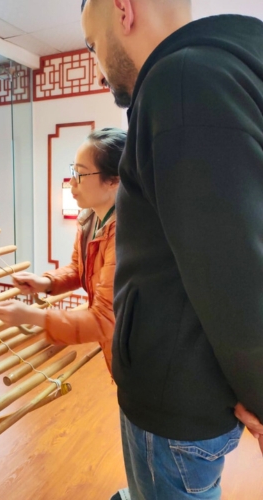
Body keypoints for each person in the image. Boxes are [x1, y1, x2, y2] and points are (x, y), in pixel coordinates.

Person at [81, 1, 263, 499]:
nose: (97, 67)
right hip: (185, 386)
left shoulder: (182, 83)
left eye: (93, 45)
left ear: (123, 10)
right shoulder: (217, 74)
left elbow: (232, 269)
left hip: (176, 400)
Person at [0, 127, 126, 377]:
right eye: (73, 171)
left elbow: (104, 321)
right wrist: (46, 282)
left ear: (113, 180)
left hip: (137, 353)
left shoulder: (124, 234)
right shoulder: (90, 219)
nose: (72, 183)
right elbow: (80, 268)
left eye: (81, 174)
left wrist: (32, 316)